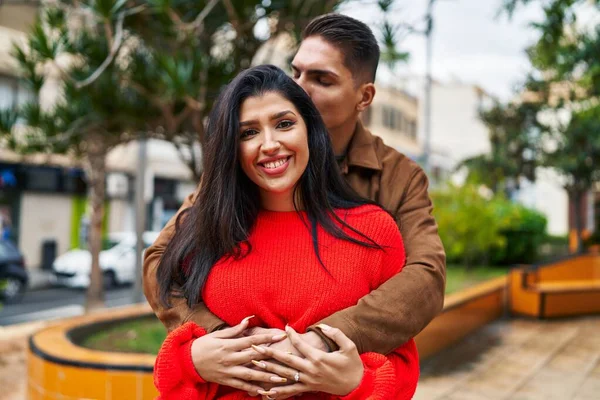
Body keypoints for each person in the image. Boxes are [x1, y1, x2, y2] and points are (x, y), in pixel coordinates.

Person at [144, 12, 445, 398]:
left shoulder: (395, 181)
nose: (299, 86)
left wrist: (323, 344)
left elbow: (425, 278)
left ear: (364, 97)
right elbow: (163, 261)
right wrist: (213, 342)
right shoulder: (240, 176)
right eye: (297, 72)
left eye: (322, 79)